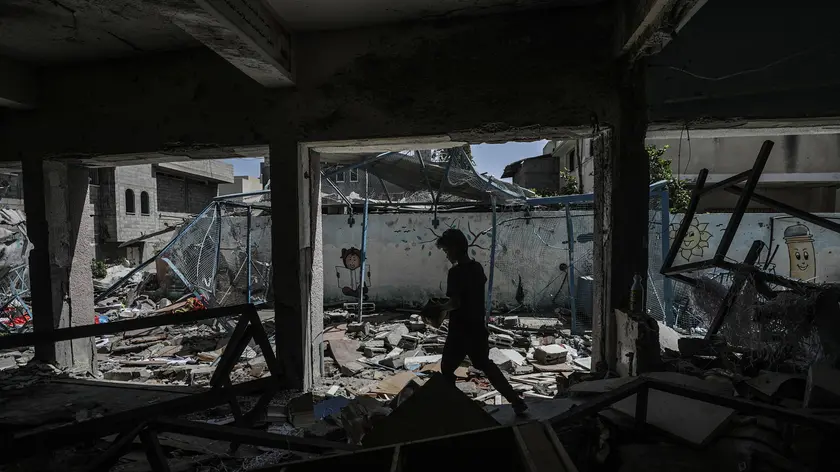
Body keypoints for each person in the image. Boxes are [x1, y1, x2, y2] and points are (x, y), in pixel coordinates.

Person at [435, 228, 528, 416]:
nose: (446, 255)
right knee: (485, 364)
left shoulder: (455, 273)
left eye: (446, 251)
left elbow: (455, 303)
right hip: (477, 327)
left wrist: (438, 309)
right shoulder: (477, 268)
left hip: (460, 330)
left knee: (447, 369)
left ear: (454, 248)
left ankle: (453, 410)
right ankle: (515, 401)